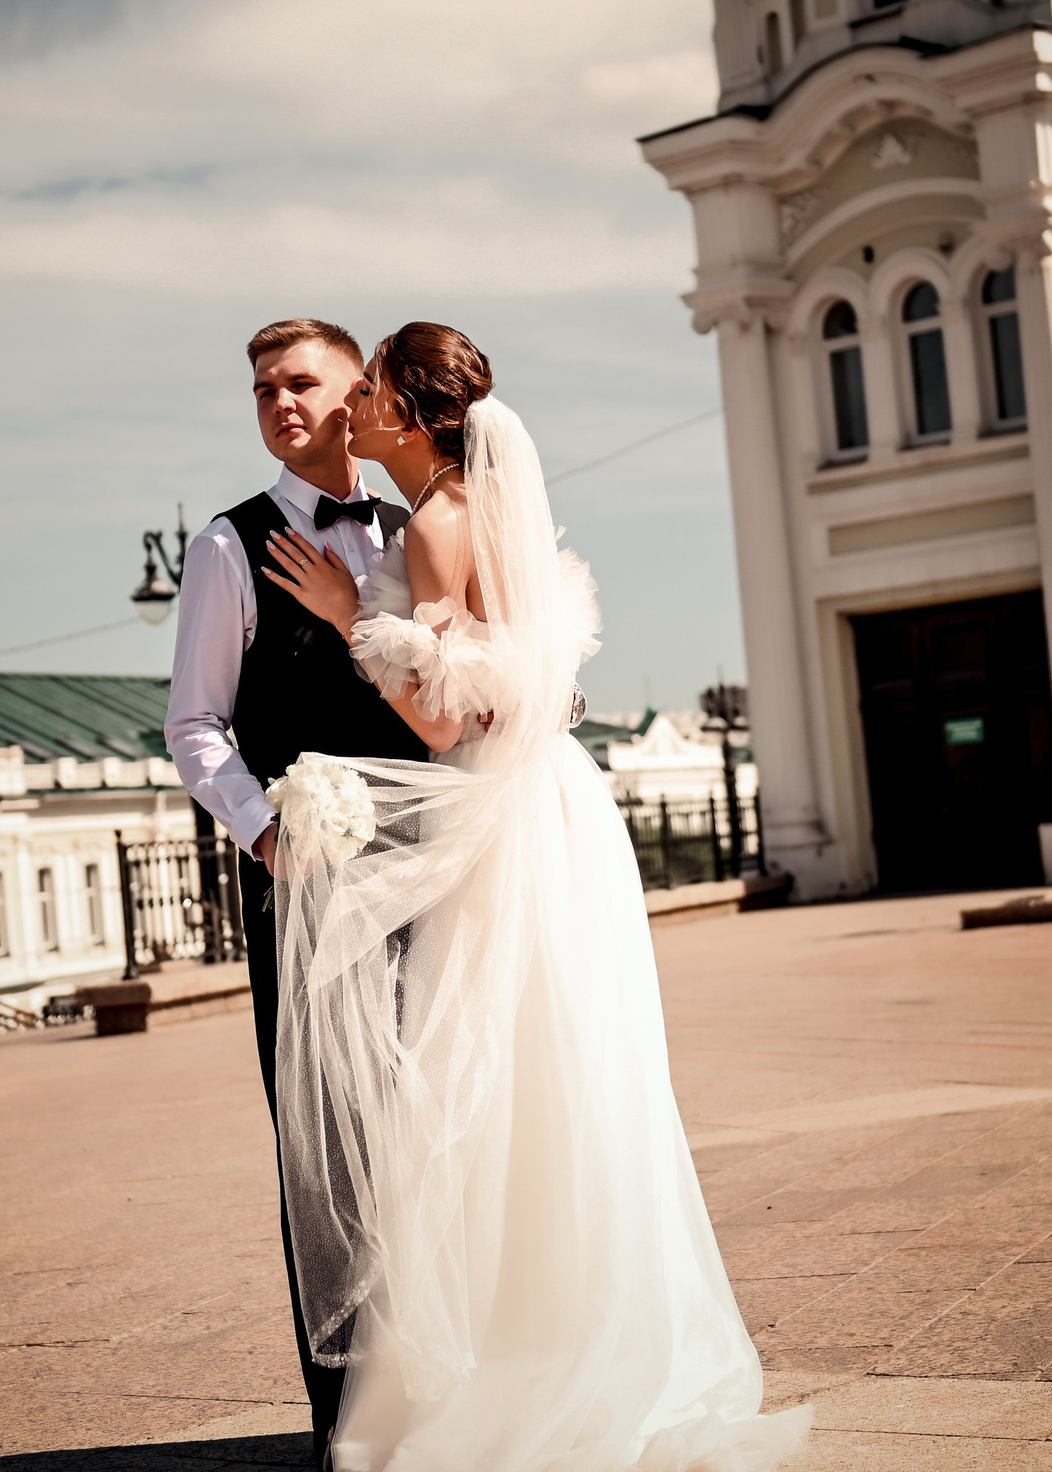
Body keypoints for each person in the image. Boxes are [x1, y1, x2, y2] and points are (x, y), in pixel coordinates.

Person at [250, 323, 810, 1471]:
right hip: (551, 812)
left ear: (404, 413)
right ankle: (573, 1338)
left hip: (508, 828)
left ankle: (528, 1367)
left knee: (489, 1086)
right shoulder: (461, 511)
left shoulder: (444, 522)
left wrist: (344, 616)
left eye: (365, 398)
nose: (348, 413)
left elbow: (448, 720)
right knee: (557, 1080)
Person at [164, 318, 430, 1467]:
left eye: (298, 383)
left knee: (437, 1123)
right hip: (307, 889)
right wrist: (270, 835)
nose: (278, 403)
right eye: (262, 389)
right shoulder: (229, 545)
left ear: (353, 394)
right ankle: (349, 1422)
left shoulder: (416, 531)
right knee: (329, 1147)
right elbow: (193, 724)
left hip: (428, 881)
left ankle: (449, 1388)